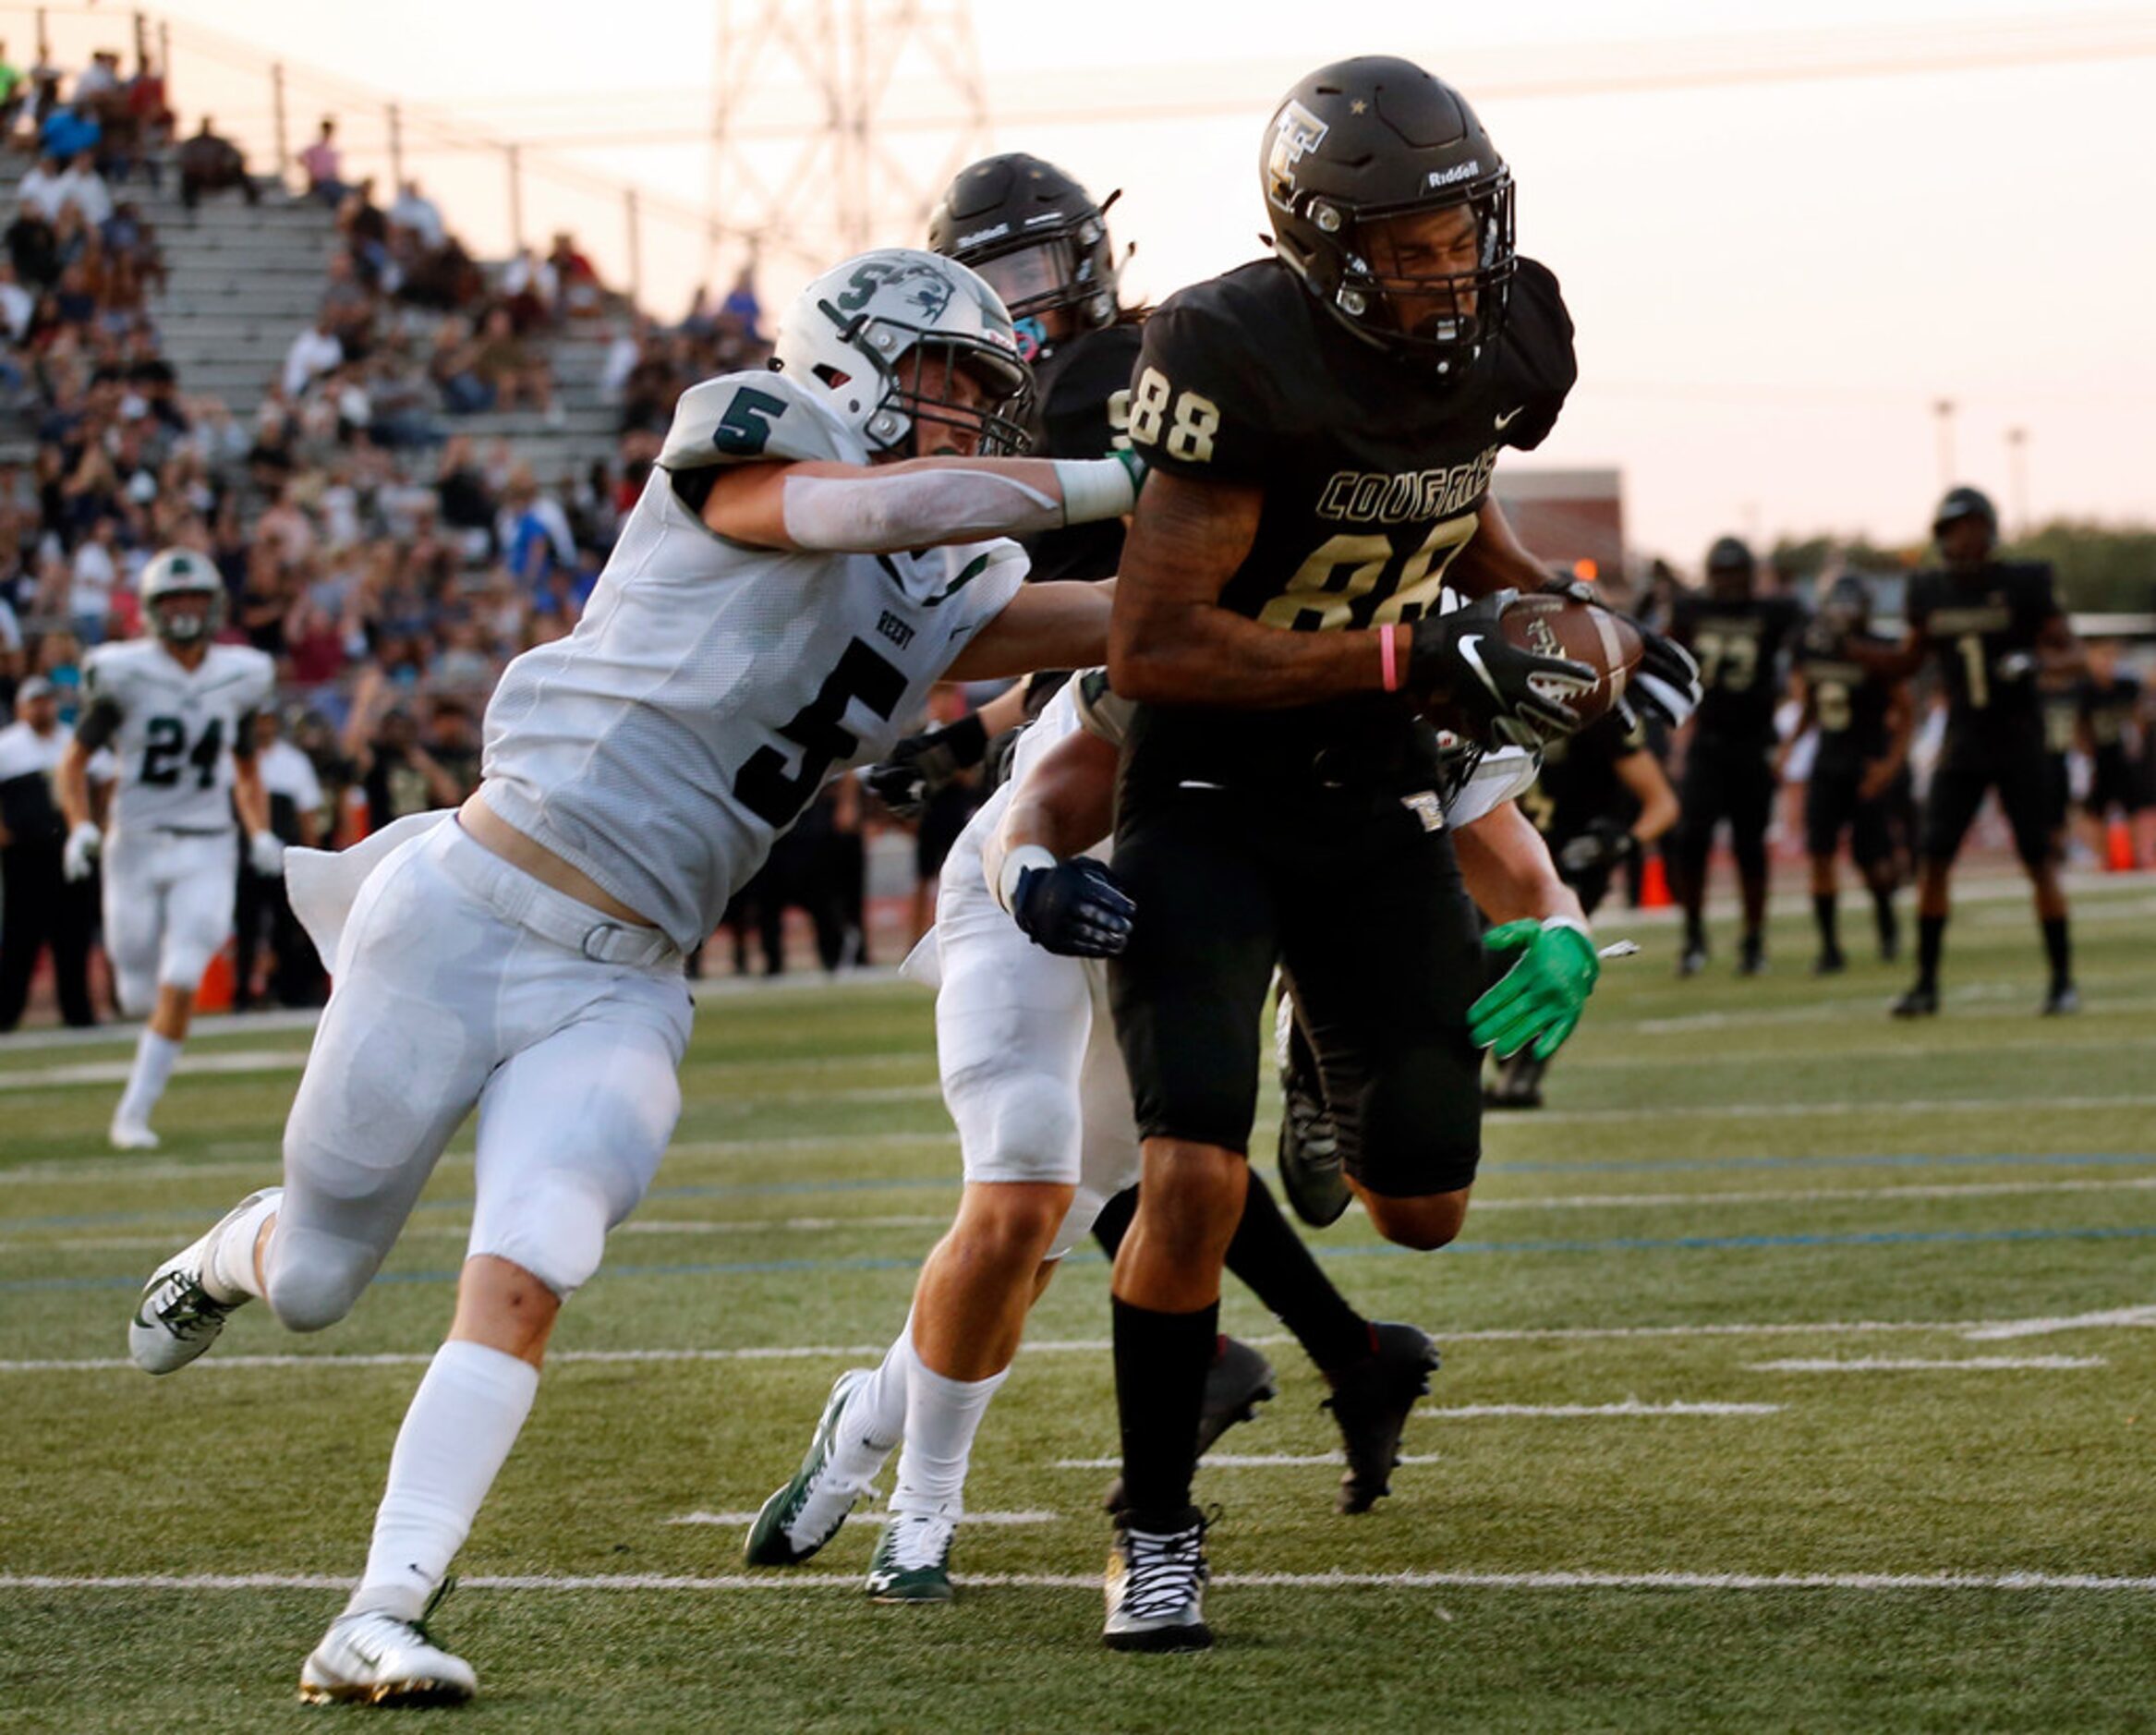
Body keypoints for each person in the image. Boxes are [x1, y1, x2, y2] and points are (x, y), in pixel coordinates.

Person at [119, 247, 1138, 1708]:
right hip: (467, 909)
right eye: (947, 377)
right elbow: (856, 511)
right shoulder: (755, 426)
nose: (968, 412)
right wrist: (1112, 483)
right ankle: (238, 1248)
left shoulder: (960, 565)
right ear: (848, 354)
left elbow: (1110, 618)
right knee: (320, 1281)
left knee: (535, 1264)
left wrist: (1261, 565)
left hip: (627, 980)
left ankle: (378, 1608)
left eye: (987, 390)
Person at [1088, 57, 1696, 1652]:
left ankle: (1320, 1068)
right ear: (1319, 239)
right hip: (1205, 796)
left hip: (1370, 800)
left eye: (1456, 229)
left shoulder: (1506, 330)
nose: (1442, 263)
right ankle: (1152, 1528)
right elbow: (1152, 644)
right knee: (1186, 1169)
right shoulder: (1231, 350)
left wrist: (1566, 618)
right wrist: (1407, 661)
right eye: (1406, 239)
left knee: (1417, 1206)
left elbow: (1448, 508)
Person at [55, 549, 281, 1146]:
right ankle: (140, 1057)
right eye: (172, 600)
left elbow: (247, 766)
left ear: (214, 605)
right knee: (132, 987)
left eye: (194, 598)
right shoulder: (121, 670)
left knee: (183, 970)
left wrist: (257, 830)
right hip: (135, 841)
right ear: (152, 610)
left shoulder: (241, 673)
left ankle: (133, 1114)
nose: (184, 610)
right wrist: (80, 824)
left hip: (208, 843)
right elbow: (73, 763)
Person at [1845, 487, 2082, 1016]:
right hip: (1964, 742)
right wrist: (1853, 649)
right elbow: (1908, 662)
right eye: (1955, 530)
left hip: (2020, 737)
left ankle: (2063, 981)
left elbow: (2074, 656)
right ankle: (1926, 985)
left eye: (1972, 527)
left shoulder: (2023, 582)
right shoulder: (1929, 590)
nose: (1965, 539)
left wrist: (2036, 665)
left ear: (1990, 529)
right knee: (1932, 861)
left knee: (2039, 861)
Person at [1479, 707, 1678, 1110]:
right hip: (1492, 860)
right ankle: (1503, 1068)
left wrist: (1623, 842)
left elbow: (1663, 804)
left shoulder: (1596, 712)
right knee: (1476, 963)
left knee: (1547, 963)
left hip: (1568, 868)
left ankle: (1526, 1070)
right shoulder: (1479, 704)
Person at [1667, 537, 1806, 977]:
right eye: (1721, 574)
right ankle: (1693, 936)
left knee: (1751, 847)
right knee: (1692, 842)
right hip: (1708, 742)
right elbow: (1664, 650)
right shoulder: (1692, 611)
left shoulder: (1773, 612)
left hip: (1753, 743)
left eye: (1735, 574)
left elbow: (1809, 640)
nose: (1728, 583)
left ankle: (1753, 940)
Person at [1787, 574, 1912, 973]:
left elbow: (1906, 712)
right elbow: (1811, 705)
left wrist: (1889, 766)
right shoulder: (1813, 646)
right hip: (1827, 762)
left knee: (1872, 861)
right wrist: (1790, 745)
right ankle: (1829, 947)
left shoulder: (1880, 648)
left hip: (1866, 764)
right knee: (1820, 856)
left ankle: (1887, 924)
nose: (1843, 613)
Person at [0, 674, 98, 1028]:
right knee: (20, 936)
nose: (43, 707)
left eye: (47, 700)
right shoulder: (7, 746)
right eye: (35, 701)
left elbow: (103, 778)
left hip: (68, 850)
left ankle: (78, 1012)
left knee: (73, 935)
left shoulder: (70, 741)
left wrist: (94, 823)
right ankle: (7, 1013)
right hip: (24, 854)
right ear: (20, 707)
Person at [2074, 639, 2145, 868]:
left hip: (2123, 756)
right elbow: (2080, 725)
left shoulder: (2128, 686)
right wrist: (2084, 753)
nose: (2107, 662)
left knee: (2132, 807)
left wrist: (2137, 738)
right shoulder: (2085, 690)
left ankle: (2135, 855)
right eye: (2101, 657)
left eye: (2111, 657)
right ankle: (2103, 858)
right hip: (2099, 757)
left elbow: (2139, 713)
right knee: (2097, 809)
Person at [176, 117, 258, 210]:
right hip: (199, 178)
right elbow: (184, 161)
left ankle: (254, 202)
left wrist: (224, 166)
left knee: (240, 174)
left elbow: (237, 157)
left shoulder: (220, 143)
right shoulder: (192, 144)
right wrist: (201, 169)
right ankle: (189, 209)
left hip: (218, 176)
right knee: (187, 179)